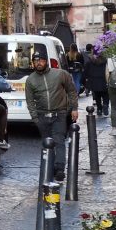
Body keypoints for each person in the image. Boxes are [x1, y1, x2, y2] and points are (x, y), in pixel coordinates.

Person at [24, 48, 78, 181]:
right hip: (42, 116)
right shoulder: (30, 80)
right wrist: (35, 118)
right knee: (47, 143)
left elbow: (71, 90)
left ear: (46, 61)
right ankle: (51, 167)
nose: (38, 63)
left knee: (59, 140)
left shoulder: (60, 74)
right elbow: (30, 101)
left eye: (41, 60)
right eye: (35, 61)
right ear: (33, 63)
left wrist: (74, 108)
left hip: (59, 114)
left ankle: (60, 169)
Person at [82, 50, 109, 119]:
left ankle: (99, 109)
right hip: (103, 81)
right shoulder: (105, 61)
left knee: (97, 96)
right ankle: (105, 105)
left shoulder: (90, 62)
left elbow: (85, 72)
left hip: (94, 82)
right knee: (105, 94)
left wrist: (84, 81)